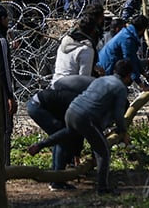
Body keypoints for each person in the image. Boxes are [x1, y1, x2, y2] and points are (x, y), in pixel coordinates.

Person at [28, 59, 134, 195]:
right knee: (104, 153)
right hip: (85, 117)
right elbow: (119, 115)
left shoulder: (101, 80)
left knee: (67, 132)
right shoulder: (120, 88)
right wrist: (123, 131)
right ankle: (102, 189)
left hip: (72, 111)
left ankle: (40, 145)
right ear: (129, 76)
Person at [26, 75, 94, 190]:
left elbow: (79, 132)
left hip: (43, 102)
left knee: (63, 136)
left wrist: (77, 153)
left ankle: (56, 174)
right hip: (38, 106)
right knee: (63, 139)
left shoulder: (90, 95)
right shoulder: (86, 102)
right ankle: (57, 181)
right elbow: (75, 130)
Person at [98, 15, 149, 92]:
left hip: (108, 67)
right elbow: (130, 62)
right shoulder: (127, 39)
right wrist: (142, 86)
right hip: (106, 69)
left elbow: (134, 59)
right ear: (143, 29)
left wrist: (147, 76)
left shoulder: (128, 33)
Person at [0, 6, 18, 165]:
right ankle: (4, 164)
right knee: (5, 127)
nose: (8, 21)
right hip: (0, 89)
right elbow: (5, 70)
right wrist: (9, 94)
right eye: (6, 18)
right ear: (1, 20)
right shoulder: (1, 40)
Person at [51, 11, 102, 85]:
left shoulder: (65, 42)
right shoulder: (86, 49)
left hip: (55, 83)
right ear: (93, 31)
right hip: (69, 88)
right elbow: (84, 79)